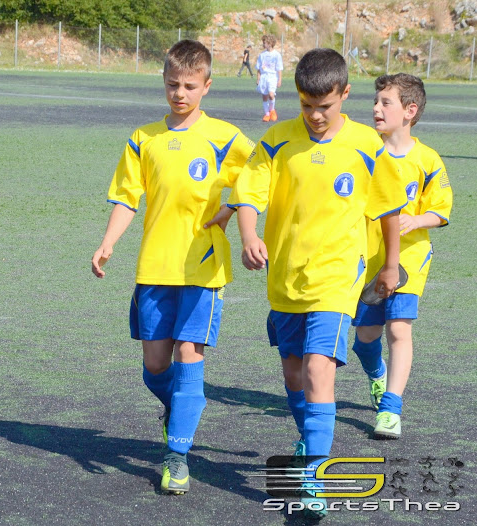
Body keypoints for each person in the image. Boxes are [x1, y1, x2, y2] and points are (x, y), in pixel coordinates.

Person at [220, 48, 407, 519]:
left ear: (344, 94)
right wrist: (249, 236)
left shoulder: (368, 145)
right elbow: (248, 195)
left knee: (319, 370)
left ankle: (313, 477)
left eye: (325, 106)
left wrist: (390, 266)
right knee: (294, 376)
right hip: (285, 279)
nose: (315, 115)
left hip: (337, 279)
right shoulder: (276, 140)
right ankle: (308, 439)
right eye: (307, 105)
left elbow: (388, 211)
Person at [91, 40, 254, 495]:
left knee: (188, 355)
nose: (179, 93)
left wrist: (231, 210)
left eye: (189, 86)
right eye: (172, 84)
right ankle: (182, 406)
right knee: (154, 365)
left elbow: (261, 174)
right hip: (154, 267)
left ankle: (177, 456)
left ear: (207, 86)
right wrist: (108, 242)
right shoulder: (144, 138)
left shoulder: (225, 137)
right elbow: (127, 197)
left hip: (202, 268)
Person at [351, 73, 453, 439]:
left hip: (410, 258)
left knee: (398, 328)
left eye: (385, 103)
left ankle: (391, 409)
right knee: (365, 337)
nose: (376, 109)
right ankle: (377, 374)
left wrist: (416, 219)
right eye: (375, 102)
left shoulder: (427, 159)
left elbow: (441, 210)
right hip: (367, 259)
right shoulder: (364, 152)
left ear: (409, 111)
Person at [256, 35, 283, 122]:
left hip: (272, 77)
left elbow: (279, 68)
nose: (263, 44)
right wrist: (258, 79)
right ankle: (267, 114)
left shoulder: (276, 55)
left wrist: (279, 79)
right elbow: (259, 68)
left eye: (265, 43)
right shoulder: (262, 55)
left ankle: (272, 110)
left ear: (270, 43)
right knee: (264, 96)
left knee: (271, 95)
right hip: (264, 77)